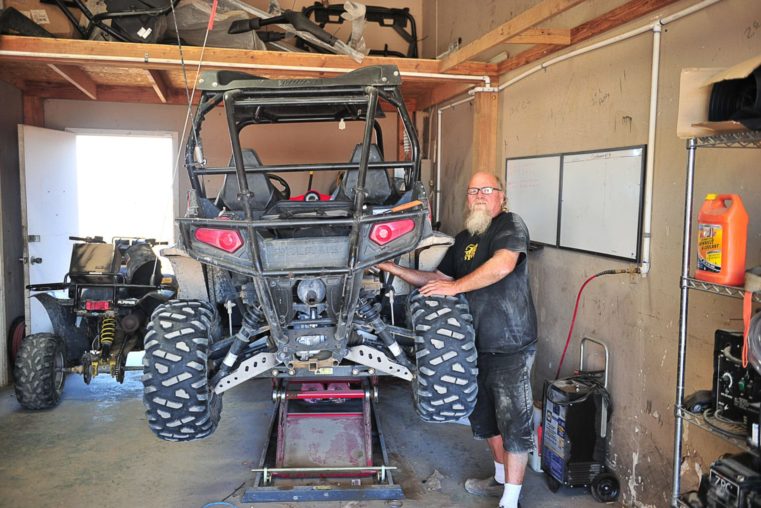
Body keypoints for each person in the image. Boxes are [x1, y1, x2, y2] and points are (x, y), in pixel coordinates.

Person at [378, 171, 537, 508]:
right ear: (467, 198)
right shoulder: (465, 238)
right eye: (473, 190)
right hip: (473, 345)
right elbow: (437, 278)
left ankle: (511, 501)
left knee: (514, 423)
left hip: (510, 343)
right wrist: (395, 269)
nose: (479, 195)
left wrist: (456, 288)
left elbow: (503, 265)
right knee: (486, 421)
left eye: (487, 189)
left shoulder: (510, 226)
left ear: (501, 196)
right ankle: (498, 480)